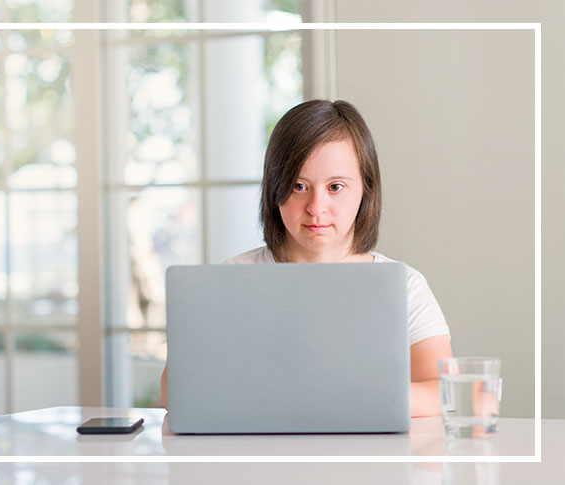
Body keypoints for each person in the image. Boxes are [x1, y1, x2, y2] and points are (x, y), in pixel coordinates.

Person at [161, 99, 452, 417]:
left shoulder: (405, 286)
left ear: (365, 190)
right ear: (275, 189)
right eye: (299, 186)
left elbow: (442, 390)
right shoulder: (228, 281)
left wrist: (345, 394)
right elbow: (175, 389)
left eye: (336, 187)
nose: (316, 207)